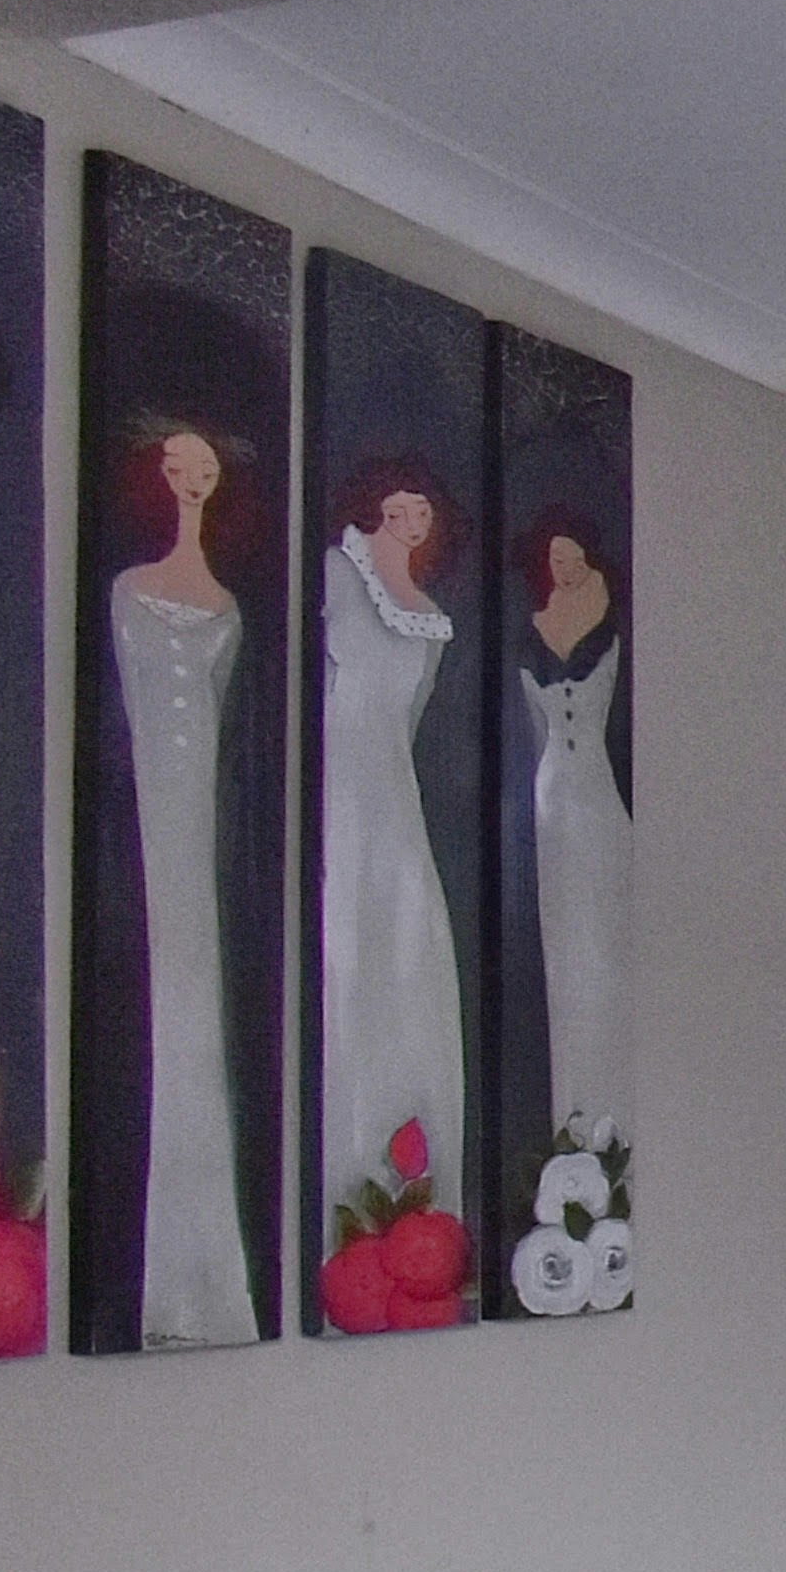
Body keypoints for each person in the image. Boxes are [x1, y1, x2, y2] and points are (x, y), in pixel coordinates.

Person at [109, 425, 258, 1345]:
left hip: (194, 825)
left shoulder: (228, 607)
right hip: (136, 815)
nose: (191, 482)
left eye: (205, 471)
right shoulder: (128, 589)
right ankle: (160, 1277)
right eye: (177, 468)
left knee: (194, 995)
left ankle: (205, 1271)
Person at [321, 457, 466, 1264]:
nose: (409, 523)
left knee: (408, 950)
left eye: (423, 515)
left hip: (391, 793)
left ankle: (416, 1196)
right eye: (400, 509)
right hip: (333, 783)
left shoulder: (430, 617)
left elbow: (407, 719)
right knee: (346, 951)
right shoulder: (336, 575)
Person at [515, 513, 631, 1156]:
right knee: (564, 955)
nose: (563, 567)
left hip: (599, 793)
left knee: (606, 948)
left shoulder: (616, 622)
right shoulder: (533, 629)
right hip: (550, 801)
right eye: (553, 559)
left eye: (572, 556)